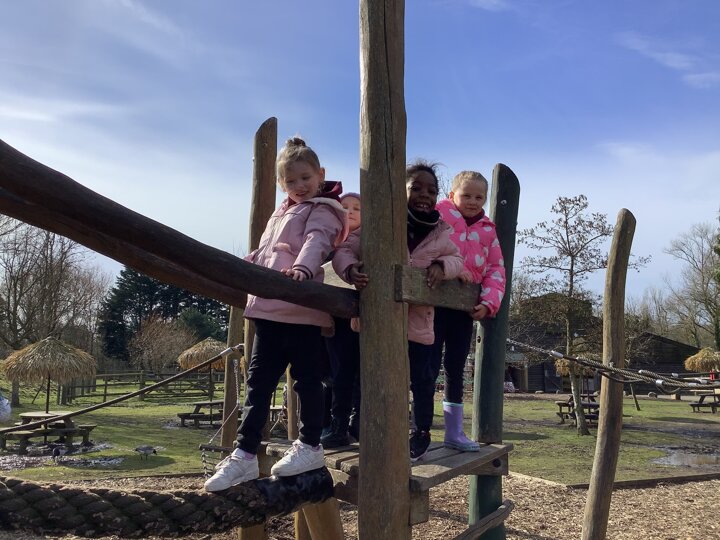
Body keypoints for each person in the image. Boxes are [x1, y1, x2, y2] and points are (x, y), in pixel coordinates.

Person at [204, 137, 348, 491]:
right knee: (258, 383)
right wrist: (243, 267)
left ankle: (310, 445)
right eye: (291, 181)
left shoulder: (323, 208)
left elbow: (317, 241)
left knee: (307, 381)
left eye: (305, 178)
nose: (299, 186)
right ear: (282, 184)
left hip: (300, 310)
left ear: (320, 175)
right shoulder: (281, 211)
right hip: (268, 310)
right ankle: (244, 454)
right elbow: (267, 251)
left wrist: (302, 268)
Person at [331, 162, 464, 461]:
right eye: (416, 188)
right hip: (378, 321)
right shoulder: (378, 224)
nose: (424, 194)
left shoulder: (440, 232)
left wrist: (442, 266)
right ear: (397, 191)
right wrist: (349, 269)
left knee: (422, 380)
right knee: (369, 375)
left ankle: (421, 431)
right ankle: (361, 422)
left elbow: (457, 259)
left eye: (431, 190)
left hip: (418, 323)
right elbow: (345, 250)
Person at [431, 170, 506, 452]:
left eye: (479, 197)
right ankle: (418, 429)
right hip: (432, 304)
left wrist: (489, 302)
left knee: (456, 366)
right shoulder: (438, 216)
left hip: (463, 309)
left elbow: (495, 268)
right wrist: (452, 267)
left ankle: (454, 431)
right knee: (425, 366)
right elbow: (425, 249)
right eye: (466, 195)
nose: (473, 201)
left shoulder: (488, 229)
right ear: (452, 195)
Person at [322, 192, 363, 448]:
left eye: (357, 208)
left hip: (359, 318)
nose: (350, 211)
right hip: (333, 319)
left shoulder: (368, 241)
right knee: (335, 373)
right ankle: (336, 425)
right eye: (345, 207)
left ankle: (355, 423)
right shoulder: (330, 239)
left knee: (359, 373)